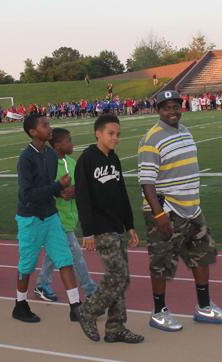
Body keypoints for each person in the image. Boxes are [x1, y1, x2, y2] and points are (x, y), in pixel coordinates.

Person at [138, 90, 222, 332]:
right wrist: (159, 214)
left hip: (192, 209)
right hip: (167, 210)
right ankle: (159, 311)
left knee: (202, 254)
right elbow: (146, 182)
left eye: (176, 106)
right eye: (167, 107)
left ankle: (203, 307)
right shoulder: (152, 139)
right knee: (161, 261)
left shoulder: (185, 131)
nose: (173, 111)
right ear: (158, 110)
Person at [72, 115, 144, 344]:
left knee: (123, 278)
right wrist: (88, 232)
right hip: (101, 227)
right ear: (98, 134)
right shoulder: (86, 160)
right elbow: (82, 198)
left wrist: (129, 224)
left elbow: (122, 193)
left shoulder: (114, 159)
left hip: (117, 225)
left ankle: (115, 328)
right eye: (111, 134)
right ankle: (87, 311)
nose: (116, 138)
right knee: (118, 274)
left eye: (118, 134)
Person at [13, 113, 80, 323]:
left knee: (65, 259)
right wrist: (57, 187)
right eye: (44, 125)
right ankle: (20, 305)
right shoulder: (26, 158)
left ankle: (75, 306)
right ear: (33, 132)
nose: (49, 127)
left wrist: (60, 192)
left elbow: (47, 188)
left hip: (51, 216)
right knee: (27, 265)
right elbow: (28, 194)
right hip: (31, 218)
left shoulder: (51, 155)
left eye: (48, 124)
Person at [33, 128, 98, 304]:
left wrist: (73, 190)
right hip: (56, 217)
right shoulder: (49, 164)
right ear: (57, 145)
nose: (72, 144)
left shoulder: (72, 162)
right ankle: (90, 289)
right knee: (75, 254)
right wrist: (59, 192)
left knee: (55, 253)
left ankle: (41, 284)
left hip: (71, 216)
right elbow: (45, 189)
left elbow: (81, 185)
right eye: (69, 141)